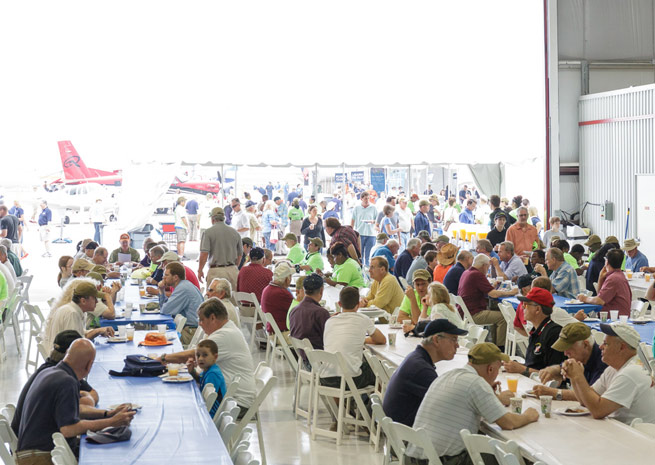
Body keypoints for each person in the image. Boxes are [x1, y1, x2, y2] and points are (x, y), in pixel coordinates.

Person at [406, 343, 539, 464]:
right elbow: (508, 423)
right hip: (443, 461)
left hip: (419, 457)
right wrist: (529, 416)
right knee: (512, 457)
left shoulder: (448, 375)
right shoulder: (475, 383)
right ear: (490, 369)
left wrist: (490, 395)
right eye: (498, 369)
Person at [15, 338, 135, 464]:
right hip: (39, 457)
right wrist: (112, 422)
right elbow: (68, 429)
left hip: (29, 452)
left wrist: (107, 414)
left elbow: (70, 411)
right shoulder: (67, 382)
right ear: (89, 365)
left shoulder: (50, 372)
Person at [161, 298, 257, 412]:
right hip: (227, 395)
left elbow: (193, 354)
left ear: (212, 318)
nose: (200, 324)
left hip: (236, 403)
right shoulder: (223, 330)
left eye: (201, 320)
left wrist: (163, 358)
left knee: (180, 403)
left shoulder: (225, 335)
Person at [12, 330, 103, 436]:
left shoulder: (49, 370)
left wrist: (108, 414)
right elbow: (70, 426)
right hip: (39, 446)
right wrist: (111, 421)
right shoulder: (65, 379)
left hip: (25, 438)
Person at [563, 322, 655, 423]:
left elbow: (598, 410)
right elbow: (585, 401)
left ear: (622, 347)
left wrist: (578, 376)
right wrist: (573, 376)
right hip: (623, 431)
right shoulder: (613, 369)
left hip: (639, 435)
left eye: (606, 344)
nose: (600, 346)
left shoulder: (632, 372)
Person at [383, 319, 468, 426]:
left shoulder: (416, 358)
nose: (457, 345)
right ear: (436, 340)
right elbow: (449, 405)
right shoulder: (421, 369)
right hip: (410, 435)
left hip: (400, 429)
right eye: (454, 339)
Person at [320, 286, 386, 390]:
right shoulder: (363, 319)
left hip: (326, 378)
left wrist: (360, 340)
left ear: (339, 304)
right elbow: (382, 340)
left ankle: (344, 405)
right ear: (358, 305)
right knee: (379, 370)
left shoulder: (329, 321)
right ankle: (375, 405)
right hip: (350, 379)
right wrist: (363, 340)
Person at [532, 322, 608, 400]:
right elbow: (562, 366)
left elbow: (590, 396)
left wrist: (554, 393)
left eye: (569, 347)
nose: (565, 353)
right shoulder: (580, 358)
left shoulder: (604, 363)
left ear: (585, 344)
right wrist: (556, 369)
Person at [458, 254, 518, 347]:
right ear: (484, 266)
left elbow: (483, 290)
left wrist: (492, 287)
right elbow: (493, 294)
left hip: (465, 313)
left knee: (497, 314)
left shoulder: (467, 272)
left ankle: (494, 344)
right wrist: (511, 292)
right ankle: (500, 347)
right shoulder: (477, 274)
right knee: (504, 317)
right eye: (488, 267)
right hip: (474, 313)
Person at [503, 287, 566, 375]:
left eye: (525, 305)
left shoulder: (554, 334)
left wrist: (522, 369)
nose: (522, 307)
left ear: (537, 309)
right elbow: (533, 366)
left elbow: (555, 375)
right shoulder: (536, 331)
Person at [43, 281, 115, 352]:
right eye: (94, 298)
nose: (96, 302)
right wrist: (97, 331)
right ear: (83, 301)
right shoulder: (71, 313)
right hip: (61, 358)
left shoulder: (75, 310)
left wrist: (99, 331)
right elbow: (75, 344)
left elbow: (80, 333)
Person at [198, 207, 243, 292]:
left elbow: (204, 253)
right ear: (224, 217)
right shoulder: (235, 232)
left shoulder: (208, 232)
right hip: (232, 271)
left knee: (215, 302)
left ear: (212, 219)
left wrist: (200, 270)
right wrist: (235, 266)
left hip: (216, 271)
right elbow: (240, 254)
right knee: (233, 302)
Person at [577, 248, 632, 316]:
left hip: (614, 319)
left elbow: (599, 301)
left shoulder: (613, 279)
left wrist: (584, 298)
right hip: (619, 316)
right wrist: (600, 278)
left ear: (607, 262)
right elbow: (601, 296)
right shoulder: (620, 275)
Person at [159, 262, 203, 345]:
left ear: (175, 277)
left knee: (159, 338)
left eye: (166, 275)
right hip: (190, 328)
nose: (163, 277)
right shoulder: (184, 285)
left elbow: (164, 311)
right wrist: (162, 290)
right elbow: (165, 307)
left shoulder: (182, 289)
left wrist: (161, 290)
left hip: (190, 332)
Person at [289, 273, 332, 349]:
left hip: (302, 355)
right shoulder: (321, 313)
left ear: (304, 290)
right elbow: (329, 337)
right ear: (321, 290)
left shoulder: (294, 310)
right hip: (320, 357)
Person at [186, 339, 226, 418]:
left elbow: (207, 398)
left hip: (211, 414)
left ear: (215, 357)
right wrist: (192, 371)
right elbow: (201, 380)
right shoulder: (208, 369)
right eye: (198, 355)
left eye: (205, 355)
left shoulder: (212, 374)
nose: (200, 358)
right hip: (207, 410)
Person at [261, 262, 294, 334]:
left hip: (272, 331)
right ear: (286, 279)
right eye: (290, 276)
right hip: (283, 333)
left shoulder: (267, 288)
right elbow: (296, 312)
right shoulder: (283, 294)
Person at [351, 191, 378, 266]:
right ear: (361, 199)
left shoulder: (373, 207)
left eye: (368, 198)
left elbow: (378, 220)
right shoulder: (357, 208)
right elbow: (353, 219)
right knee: (360, 253)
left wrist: (373, 221)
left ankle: (368, 268)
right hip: (360, 233)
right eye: (365, 198)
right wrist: (351, 230)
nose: (367, 200)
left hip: (371, 234)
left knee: (369, 254)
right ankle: (361, 268)